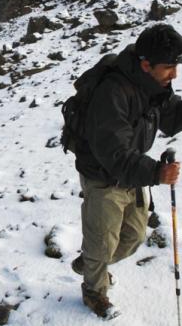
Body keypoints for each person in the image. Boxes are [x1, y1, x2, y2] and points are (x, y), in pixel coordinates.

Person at [71, 23, 182, 319]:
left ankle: (92, 261)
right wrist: (158, 173)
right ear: (146, 65)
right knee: (102, 241)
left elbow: (171, 116)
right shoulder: (113, 93)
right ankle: (94, 292)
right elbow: (115, 154)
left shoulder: (154, 86)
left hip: (132, 175)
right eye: (169, 67)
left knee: (132, 237)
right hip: (104, 177)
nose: (175, 74)